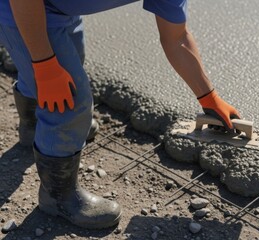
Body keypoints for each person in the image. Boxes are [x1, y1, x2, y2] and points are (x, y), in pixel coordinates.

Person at [0, 0, 240, 229]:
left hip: (59, 10)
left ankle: (34, 132)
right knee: (70, 105)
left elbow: (176, 37)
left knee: (64, 75)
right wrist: (43, 63)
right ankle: (57, 198)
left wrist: (209, 97)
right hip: (18, 9)